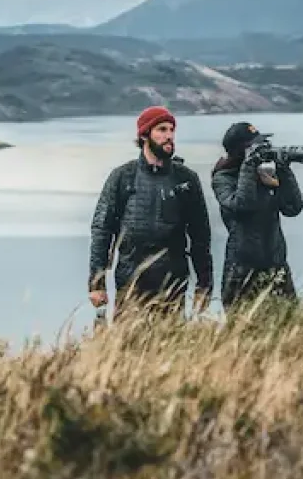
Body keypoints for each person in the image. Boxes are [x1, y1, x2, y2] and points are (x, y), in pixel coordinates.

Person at [88, 105, 213, 320]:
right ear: (145, 135)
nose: (169, 136)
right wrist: (96, 283)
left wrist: (204, 284)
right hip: (131, 278)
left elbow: (200, 235)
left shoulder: (186, 179)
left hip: (172, 279)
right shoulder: (123, 177)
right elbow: (102, 229)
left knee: (170, 346)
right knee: (127, 347)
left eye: (172, 130)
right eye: (162, 130)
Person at [211, 120, 303, 311]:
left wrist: (284, 170)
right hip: (241, 271)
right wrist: (249, 166)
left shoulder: (266, 174)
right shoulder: (223, 178)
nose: (262, 150)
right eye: (255, 147)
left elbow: (293, 208)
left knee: (289, 328)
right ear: (239, 151)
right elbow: (242, 206)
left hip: (276, 265)